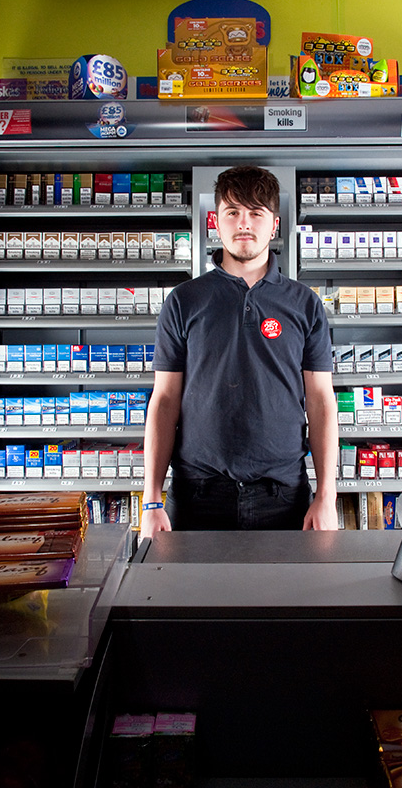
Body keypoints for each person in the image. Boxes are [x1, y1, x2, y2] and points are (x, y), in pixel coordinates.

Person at [141, 165, 338, 534]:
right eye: (233, 212)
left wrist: (326, 496)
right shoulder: (184, 301)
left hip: (282, 495)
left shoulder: (305, 303)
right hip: (196, 494)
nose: (243, 223)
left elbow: (321, 401)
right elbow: (164, 400)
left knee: (284, 594)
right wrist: (151, 499)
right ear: (216, 222)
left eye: (256, 213)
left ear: (274, 224)